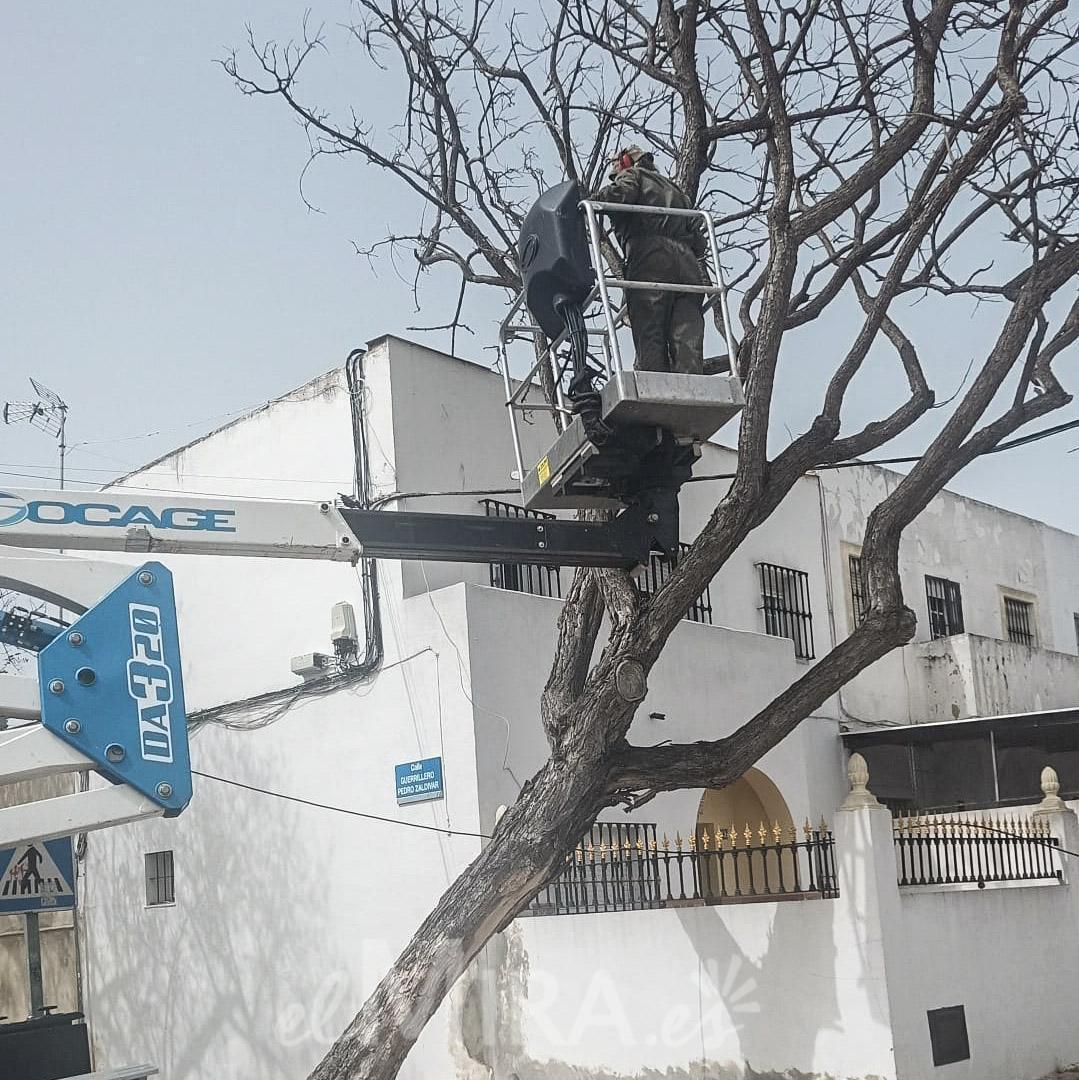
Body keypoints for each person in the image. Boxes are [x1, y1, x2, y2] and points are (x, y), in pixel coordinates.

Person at [594, 145, 708, 375]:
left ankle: (657, 382)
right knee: (687, 330)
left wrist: (590, 201)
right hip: (688, 265)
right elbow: (700, 241)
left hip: (650, 257)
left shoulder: (632, 176)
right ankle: (690, 383)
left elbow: (620, 195)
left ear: (627, 162)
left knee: (650, 327)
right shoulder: (677, 191)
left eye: (616, 168)